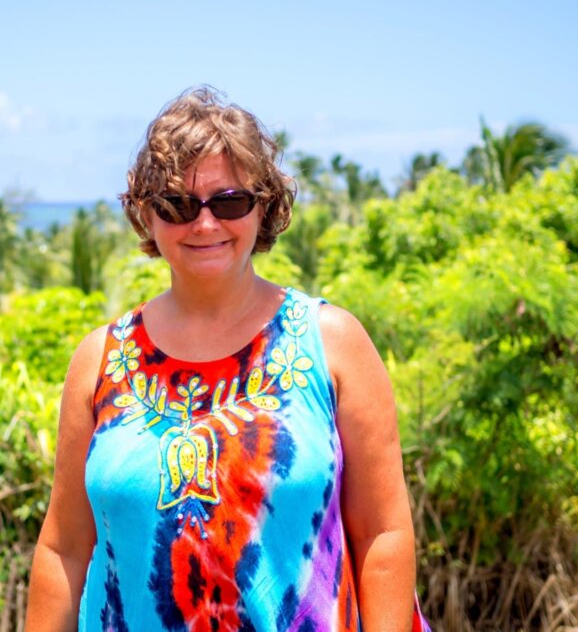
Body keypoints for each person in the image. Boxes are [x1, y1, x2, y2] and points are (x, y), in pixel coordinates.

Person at [26, 87, 429, 631]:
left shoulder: (331, 342)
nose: (205, 224)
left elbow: (383, 535)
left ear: (265, 207)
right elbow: (64, 549)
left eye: (230, 201)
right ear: (146, 215)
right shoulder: (101, 359)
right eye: (178, 205)